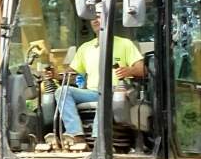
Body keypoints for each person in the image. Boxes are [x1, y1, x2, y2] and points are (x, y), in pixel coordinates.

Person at [54, 8, 146, 142]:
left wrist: (129, 71)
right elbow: (71, 74)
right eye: (93, 17)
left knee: (105, 92)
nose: (95, 20)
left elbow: (142, 69)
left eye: (99, 16)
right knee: (61, 91)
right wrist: (55, 75)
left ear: (108, 19)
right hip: (91, 92)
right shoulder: (85, 47)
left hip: (116, 91)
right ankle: (76, 135)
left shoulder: (125, 44)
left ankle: (99, 141)